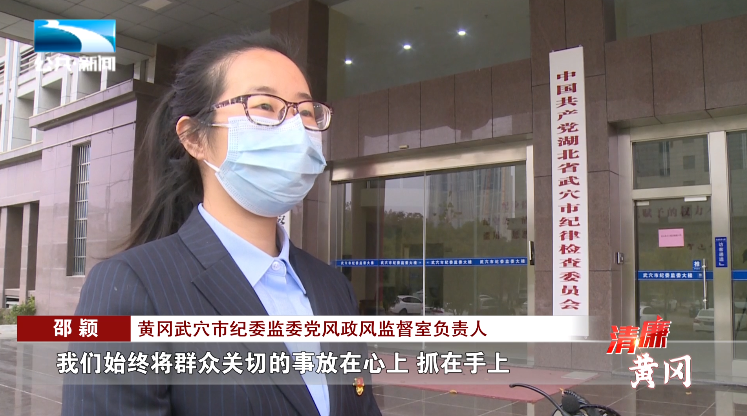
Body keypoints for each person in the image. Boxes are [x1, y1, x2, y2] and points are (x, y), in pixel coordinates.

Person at [61, 32, 382, 416]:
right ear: (194, 138)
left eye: (307, 111)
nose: (296, 128)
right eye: (264, 106)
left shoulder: (332, 288)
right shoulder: (131, 288)